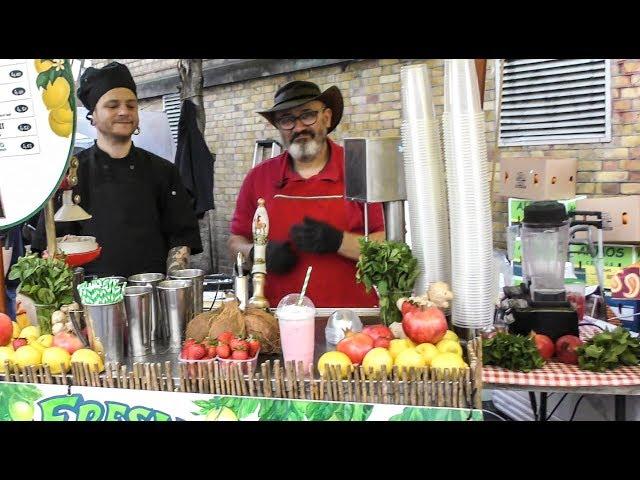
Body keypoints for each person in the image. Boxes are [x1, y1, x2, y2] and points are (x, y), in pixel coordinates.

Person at [32, 62, 202, 278]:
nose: (124, 111)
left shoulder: (164, 171)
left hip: (151, 293)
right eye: (112, 106)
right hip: (88, 297)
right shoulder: (70, 174)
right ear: (92, 115)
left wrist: (172, 285)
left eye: (131, 105)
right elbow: (50, 245)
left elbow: (181, 238)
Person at [228, 80, 386, 308]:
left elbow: (383, 247)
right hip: (278, 318)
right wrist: (257, 254)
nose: (299, 127)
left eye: (307, 115)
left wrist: (338, 241)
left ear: (327, 117)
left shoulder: (359, 168)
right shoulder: (258, 177)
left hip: (353, 321)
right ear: (279, 127)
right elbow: (235, 243)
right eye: (287, 119)